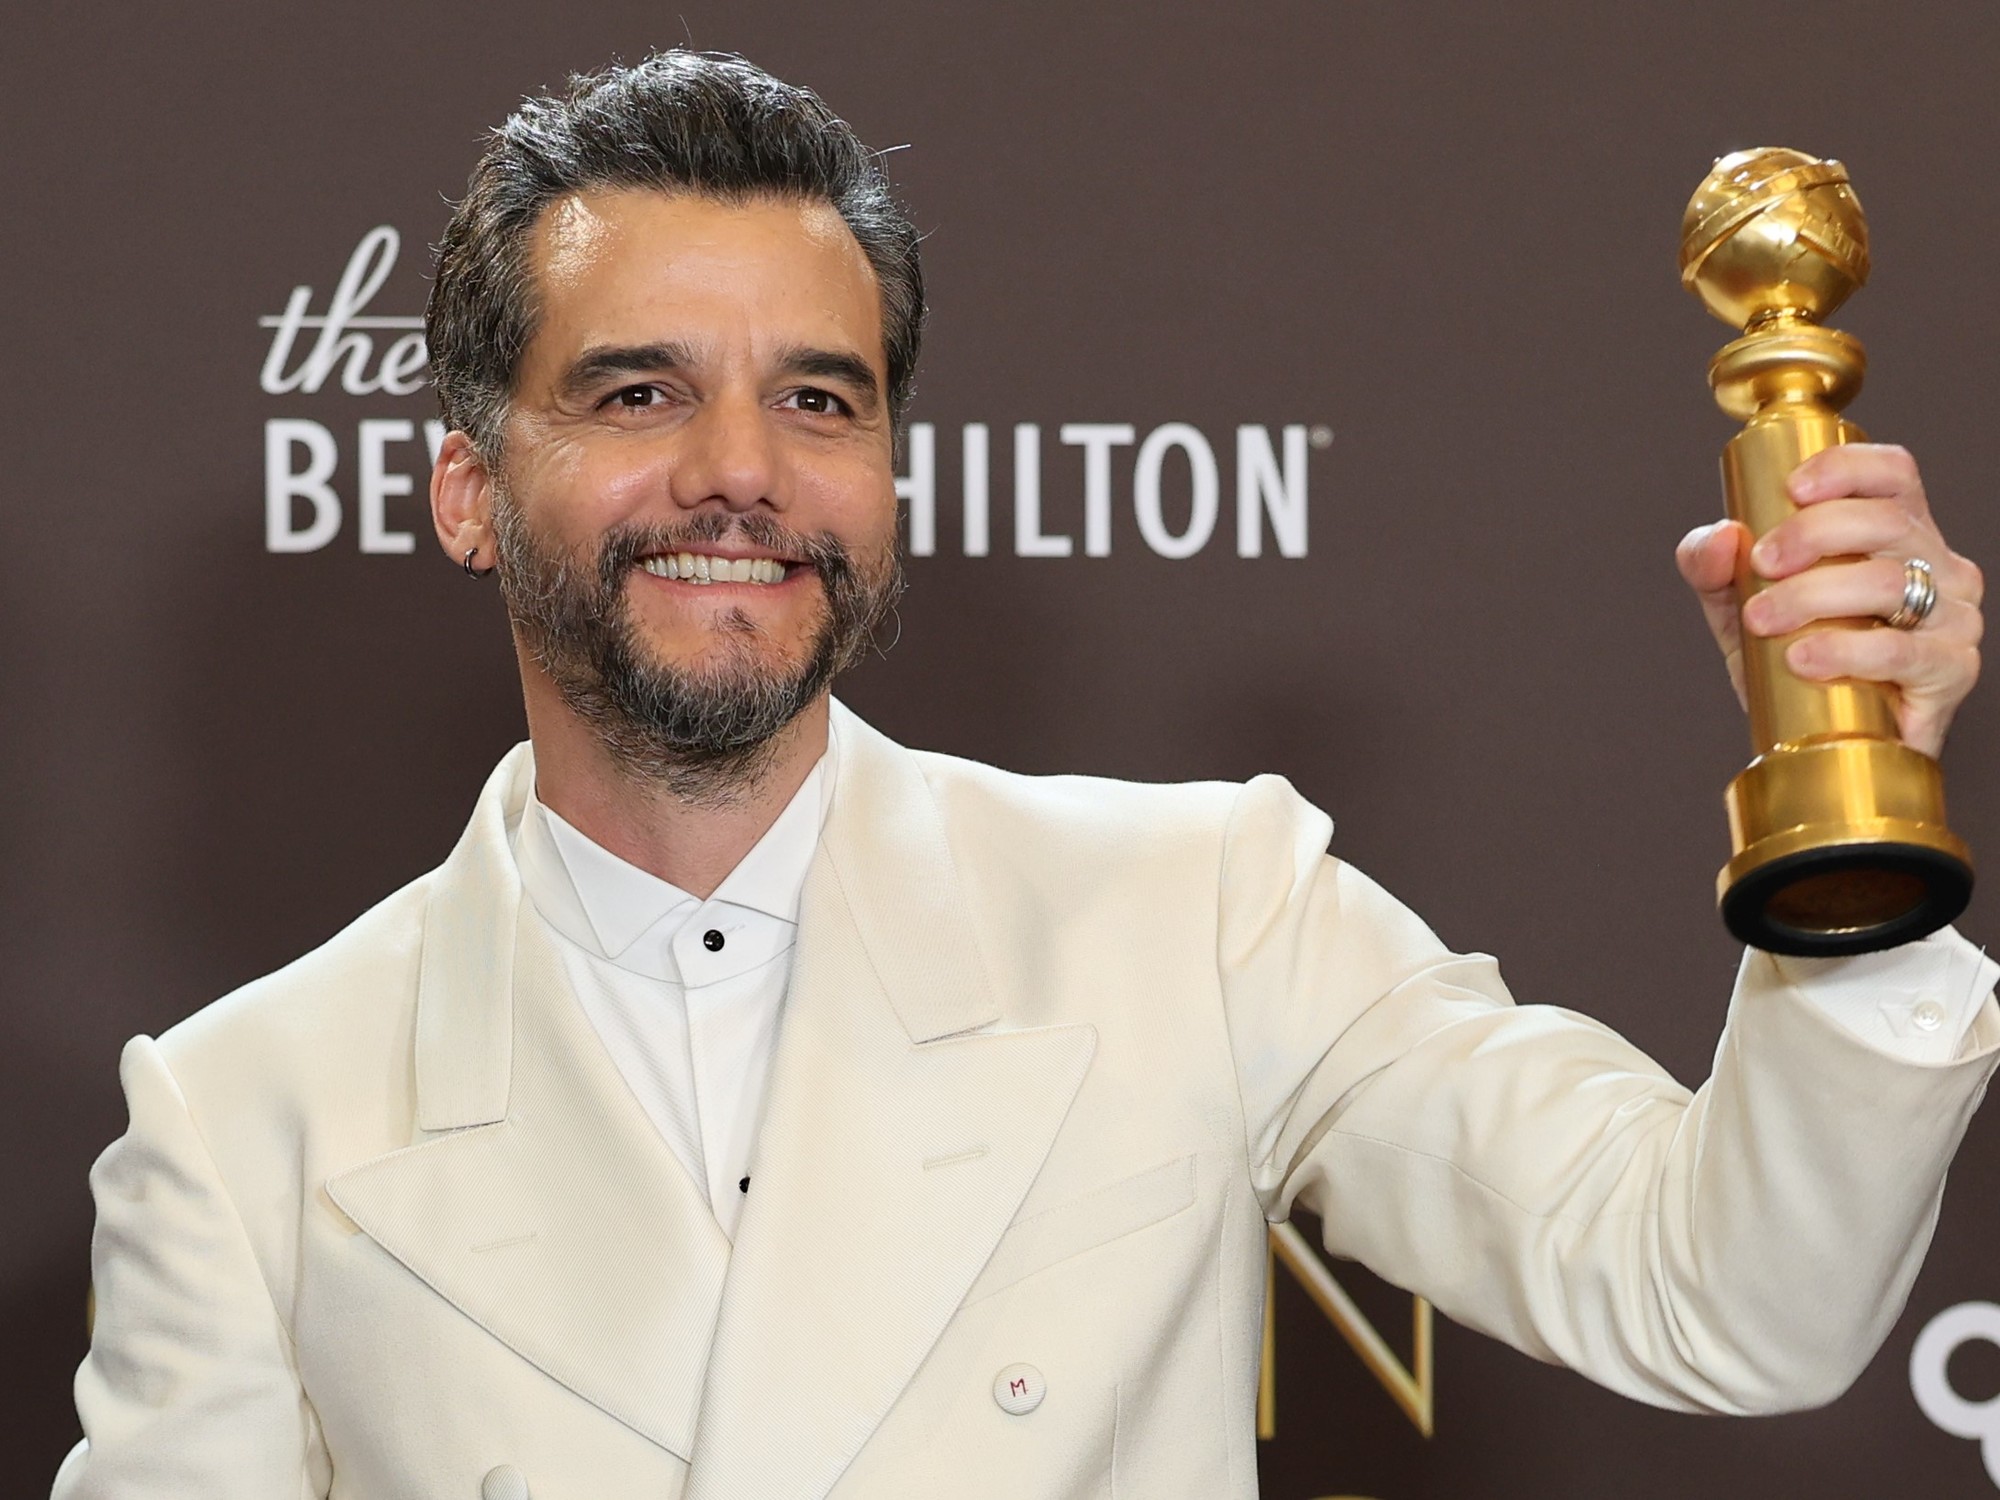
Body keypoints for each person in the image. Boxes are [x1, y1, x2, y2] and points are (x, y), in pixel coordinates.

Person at [55, 50, 1996, 1500]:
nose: (741, 470)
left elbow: (1729, 1300)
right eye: (639, 391)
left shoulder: (1199, 910)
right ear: (472, 490)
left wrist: (1860, 796)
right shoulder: (244, 1121)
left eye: (817, 399)